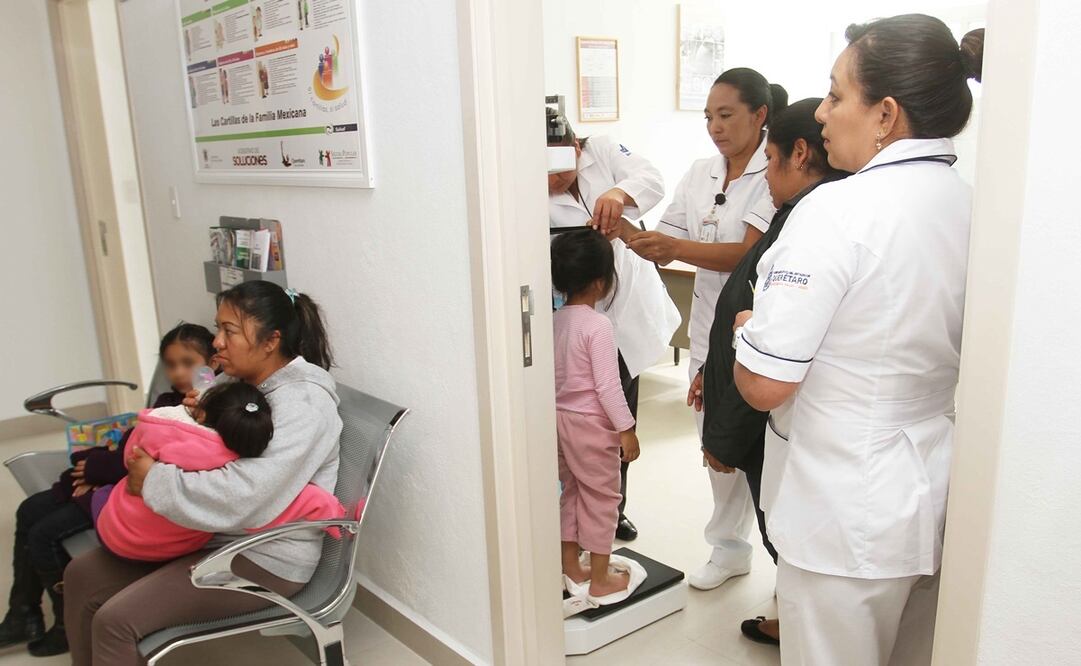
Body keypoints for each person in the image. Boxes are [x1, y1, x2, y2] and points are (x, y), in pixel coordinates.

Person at [733, 16, 984, 665]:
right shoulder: (970, 205)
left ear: (884, 115)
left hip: (844, 514)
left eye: (837, 94)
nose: (820, 112)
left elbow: (764, 385)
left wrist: (746, 334)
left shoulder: (837, 211)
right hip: (931, 494)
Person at [63, 281, 341, 665]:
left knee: (116, 621)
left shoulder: (305, 405)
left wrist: (154, 479)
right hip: (212, 532)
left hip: (264, 555)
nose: (217, 343)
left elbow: (246, 495)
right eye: (219, 329)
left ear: (270, 341)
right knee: (82, 574)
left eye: (229, 331)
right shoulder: (245, 384)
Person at [688, 98, 849, 645]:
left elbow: (759, 351)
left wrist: (723, 440)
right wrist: (709, 369)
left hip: (776, 420)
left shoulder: (801, 232)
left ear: (799, 154)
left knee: (783, 527)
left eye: (773, 161)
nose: (768, 180)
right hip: (802, 423)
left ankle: (793, 623)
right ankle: (790, 613)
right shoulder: (815, 215)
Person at [619, 68, 785, 590]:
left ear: (760, 116)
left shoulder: (775, 171)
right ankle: (729, 548)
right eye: (708, 116)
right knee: (713, 443)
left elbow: (746, 252)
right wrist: (620, 225)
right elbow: (664, 238)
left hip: (759, 330)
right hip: (709, 331)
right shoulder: (700, 172)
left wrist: (676, 249)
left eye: (727, 114)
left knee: (764, 452)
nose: (714, 126)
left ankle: (786, 564)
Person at [0, 323, 213, 657]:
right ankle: (23, 613)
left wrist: (100, 469)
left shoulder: (206, 411)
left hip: (127, 498)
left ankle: (63, 626)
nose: (178, 372)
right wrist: (98, 464)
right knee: (28, 510)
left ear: (211, 365)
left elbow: (157, 457)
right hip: (117, 481)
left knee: (43, 534)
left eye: (188, 363)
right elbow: (133, 444)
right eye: (171, 364)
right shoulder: (167, 400)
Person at [547, 107, 680, 542]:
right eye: (543, 172)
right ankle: (575, 508)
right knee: (580, 418)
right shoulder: (525, 189)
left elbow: (652, 179)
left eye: (560, 167)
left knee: (619, 399)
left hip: (626, 311)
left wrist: (619, 194)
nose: (553, 181)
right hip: (574, 316)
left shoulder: (603, 151)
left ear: (576, 146)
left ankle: (613, 508)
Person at [93, 382, 344, 563]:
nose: (219, 343)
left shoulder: (161, 424)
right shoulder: (235, 455)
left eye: (228, 330)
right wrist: (328, 507)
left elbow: (130, 457)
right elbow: (281, 503)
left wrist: (181, 419)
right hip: (177, 545)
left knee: (101, 495)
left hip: (117, 532)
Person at [552, 229, 641, 599]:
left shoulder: (553, 322)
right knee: (604, 499)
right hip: (591, 426)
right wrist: (626, 429)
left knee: (572, 492)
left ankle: (571, 566)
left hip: (559, 421)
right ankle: (601, 579)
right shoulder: (598, 326)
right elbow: (608, 386)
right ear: (602, 282)